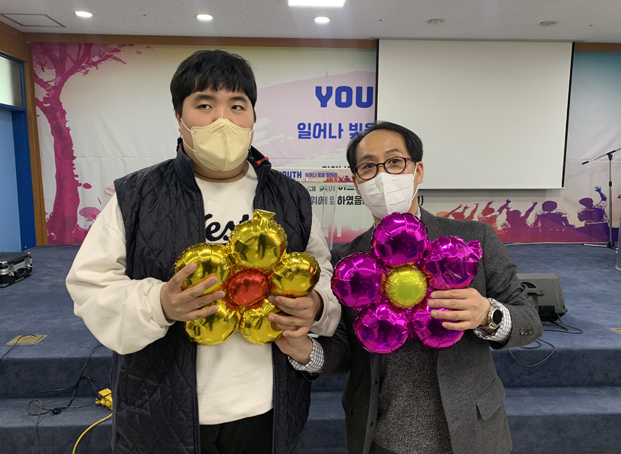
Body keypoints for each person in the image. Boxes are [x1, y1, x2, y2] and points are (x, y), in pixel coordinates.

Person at [66, 50, 340, 454]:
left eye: (237, 106)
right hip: (164, 408)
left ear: (253, 117)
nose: (222, 120)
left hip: (268, 408)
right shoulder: (136, 195)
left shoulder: (291, 197)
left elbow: (323, 273)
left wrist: (315, 304)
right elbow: (90, 286)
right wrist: (159, 304)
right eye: (205, 105)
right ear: (179, 117)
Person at [277, 121, 543, 454]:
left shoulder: (472, 239)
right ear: (356, 183)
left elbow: (529, 320)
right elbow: (346, 349)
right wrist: (305, 352)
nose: (382, 176)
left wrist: (487, 314)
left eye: (394, 162)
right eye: (368, 167)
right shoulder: (347, 262)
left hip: (471, 434)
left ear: (418, 171)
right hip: (381, 437)